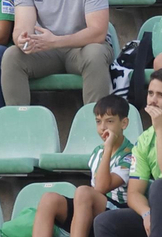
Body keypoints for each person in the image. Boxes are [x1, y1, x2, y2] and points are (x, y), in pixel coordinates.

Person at [90, 67, 162, 237]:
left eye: (161, 95)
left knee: (161, 186)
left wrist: (160, 129)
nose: (153, 100)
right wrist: (146, 214)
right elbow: (134, 193)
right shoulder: (144, 140)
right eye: (150, 93)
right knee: (105, 222)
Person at [30, 96, 132, 237]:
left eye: (109, 121)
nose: (103, 128)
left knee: (84, 192)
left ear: (124, 123)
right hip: (97, 209)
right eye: (98, 121)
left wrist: (108, 149)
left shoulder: (130, 154)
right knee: (49, 199)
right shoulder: (97, 152)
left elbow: (101, 188)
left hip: (121, 213)